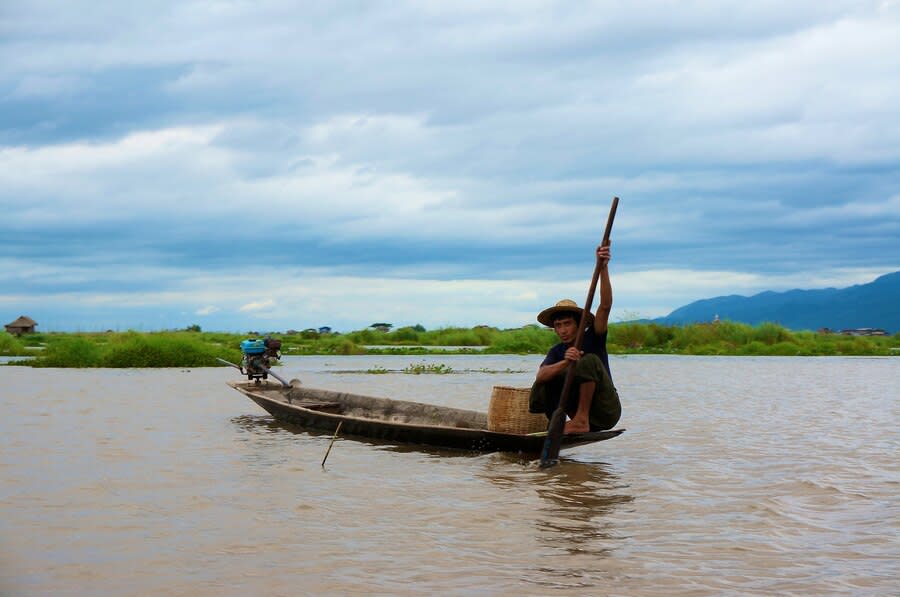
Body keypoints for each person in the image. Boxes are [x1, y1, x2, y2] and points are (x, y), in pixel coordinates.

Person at [529, 244, 620, 434]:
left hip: (605, 411)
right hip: (573, 411)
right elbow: (541, 376)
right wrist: (565, 362)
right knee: (545, 378)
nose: (563, 330)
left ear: (579, 325)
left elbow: (605, 306)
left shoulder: (593, 337)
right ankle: (558, 422)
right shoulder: (556, 351)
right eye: (558, 325)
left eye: (567, 324)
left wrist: (602, 267)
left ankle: (580, 420)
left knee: (588, 361)